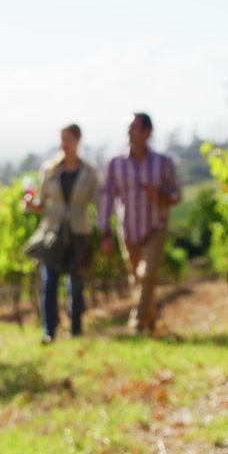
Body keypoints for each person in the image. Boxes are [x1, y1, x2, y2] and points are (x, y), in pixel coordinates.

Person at [98, 113, 181, 334]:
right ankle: (152, 318)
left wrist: (160, 196)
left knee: (147, 274)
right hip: (128, 230)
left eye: (134, 128)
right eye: (128, 128)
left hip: (155, 227)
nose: (129, 132)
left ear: (147, 132)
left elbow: (176, 195)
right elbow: (107, 197)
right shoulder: (115, 164)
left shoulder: (163, 163)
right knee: (138, 278)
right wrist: (104, 230)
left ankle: (138, 322)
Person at [25, 124, 100, 344]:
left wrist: (103, 229)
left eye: (66, 139)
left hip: (78, 231)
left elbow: (98, 202)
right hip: (52, 232)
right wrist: (31, 205)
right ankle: (50, 331)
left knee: (75, 283)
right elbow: (40, 203)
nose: (63, 144)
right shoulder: (49, 170)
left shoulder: (88, 172)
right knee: (49, 281)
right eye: (61, 139)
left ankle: (76, 328)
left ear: (77, 140)